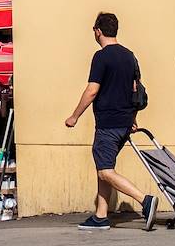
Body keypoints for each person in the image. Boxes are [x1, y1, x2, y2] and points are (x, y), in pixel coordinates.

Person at [64, 12, 158, 231]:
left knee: (105, 171)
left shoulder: (101, 56)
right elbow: (137, 91)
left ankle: (145, 201)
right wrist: (133, 119)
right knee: (104, 166)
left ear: (98, 30)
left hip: (108, 123)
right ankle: (101, 216)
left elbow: (91, 91)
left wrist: (74, 116)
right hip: (125, 123)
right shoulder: (130, 56)